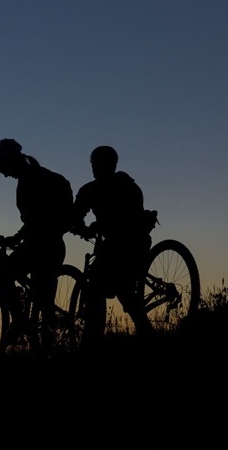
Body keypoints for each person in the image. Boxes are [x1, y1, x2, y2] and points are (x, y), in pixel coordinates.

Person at [0, 138, 74, 352]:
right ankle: (39, 336)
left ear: (11, 162)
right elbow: (35, 220)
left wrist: (18, 237)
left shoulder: (32, 181)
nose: (5, 174)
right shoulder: (36, 177)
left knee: (2, 279)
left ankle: (19, 322)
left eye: (3, 169)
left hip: (42, 245)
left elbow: (38, 218)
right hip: (48, 243)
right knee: (39, 296)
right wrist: (19, 236)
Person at [71, 145, 154, 342]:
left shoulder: (126, 186)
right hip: (111, 244)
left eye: (99, 164)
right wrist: (77, 225)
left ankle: (93, 338)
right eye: (95, 164)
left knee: (117, 287)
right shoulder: (89, 190)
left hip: (132, 242)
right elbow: (76, 212)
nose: (96, 168)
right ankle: (143, 333)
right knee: (108, 286)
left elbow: (129, 217)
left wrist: (96, 225)